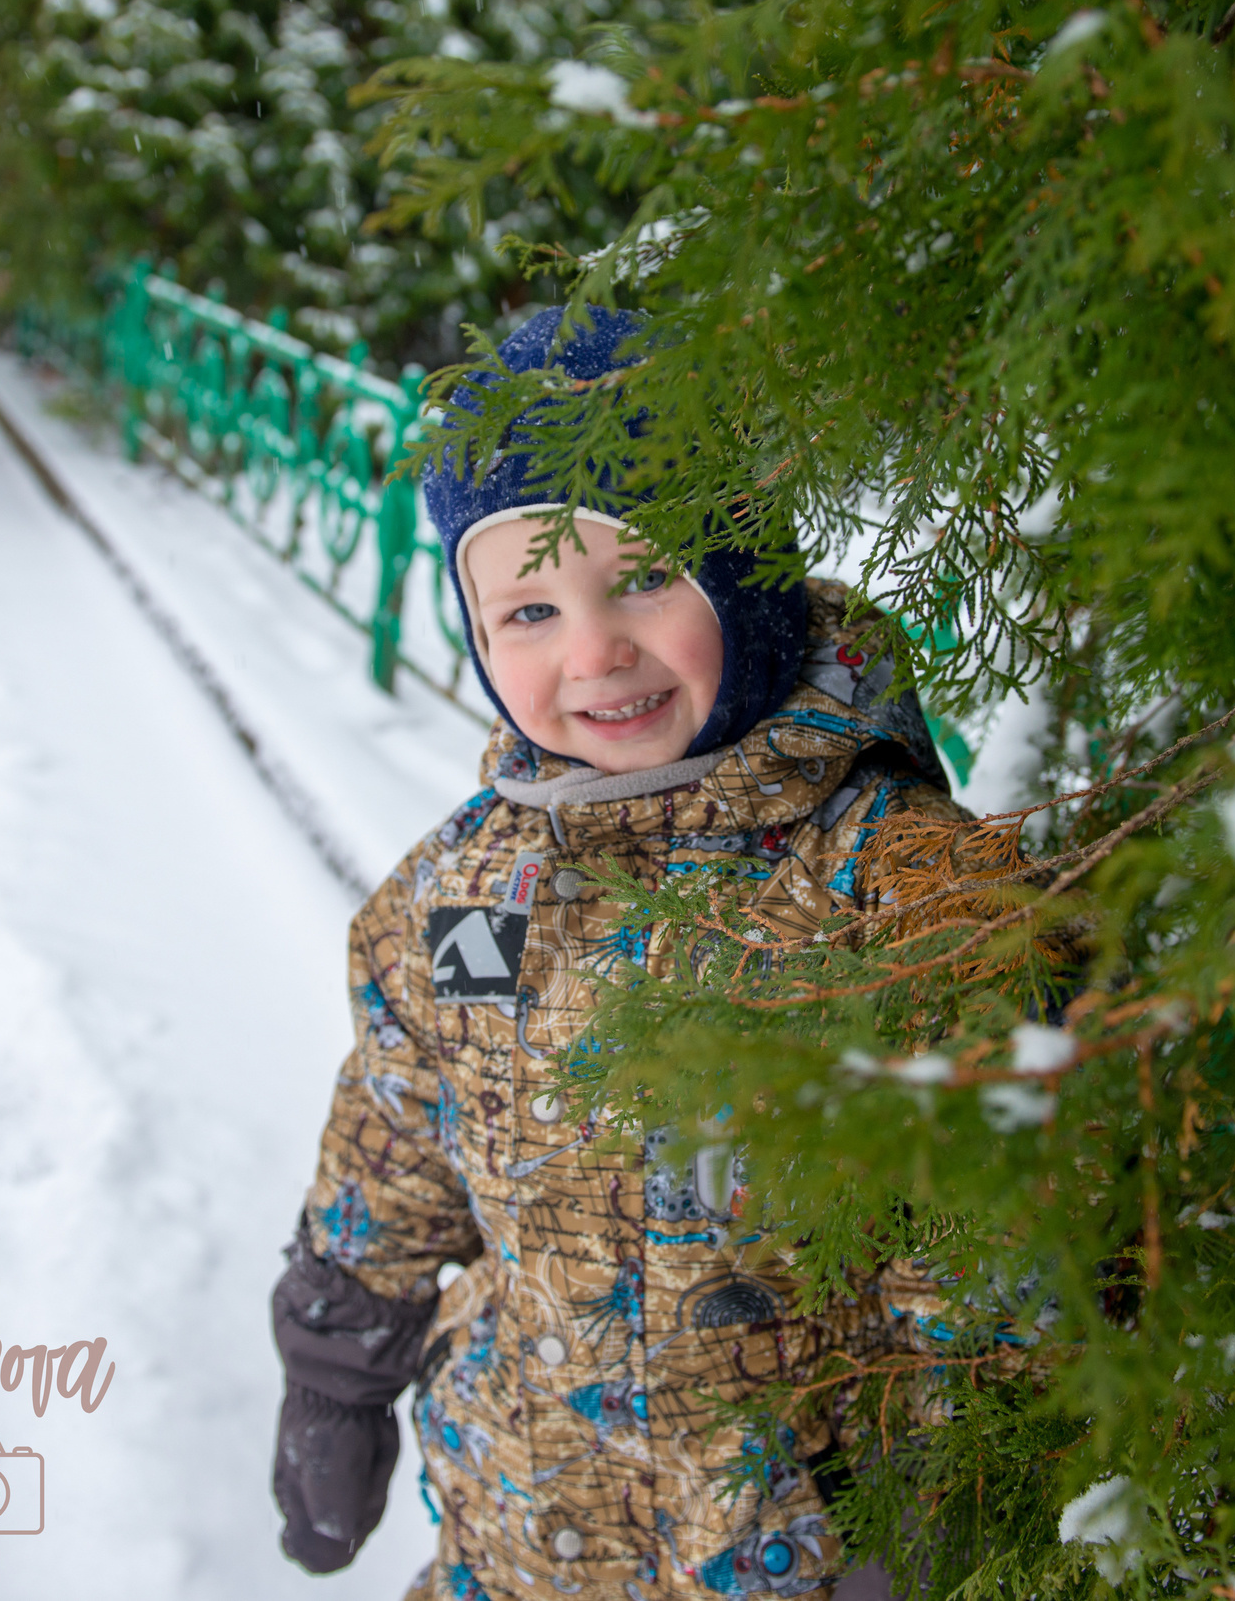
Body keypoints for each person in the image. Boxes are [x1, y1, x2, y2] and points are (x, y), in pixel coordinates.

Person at [271, 306, 970, 1600]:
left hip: (794, 1555)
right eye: (530, 608)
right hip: (520, 1528)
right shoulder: (470, 889)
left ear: (748, 575)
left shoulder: (888, 885)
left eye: (645, 578)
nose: (592, 651)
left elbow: (987, 1230)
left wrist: (944, 1508)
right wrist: (336, 1368)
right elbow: (399, 1122)